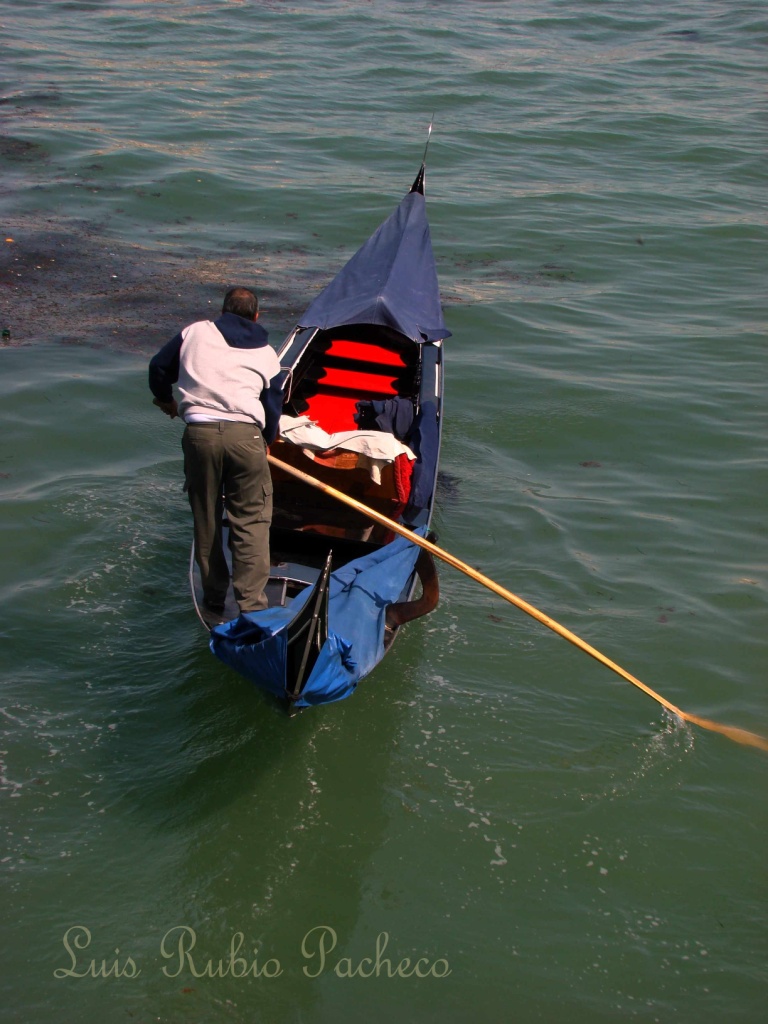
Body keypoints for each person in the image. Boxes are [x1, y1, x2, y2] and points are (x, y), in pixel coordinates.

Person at [149, 287, 283, 618]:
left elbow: (158, 368)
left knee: (207, 517)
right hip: (246, 438)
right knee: (251, 522)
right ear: (256, 317)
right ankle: (251, 605)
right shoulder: (267, 353)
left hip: (200, 436)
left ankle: (213, 597)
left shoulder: (194, 332)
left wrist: (166, 400)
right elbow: (273, 407)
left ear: (221, 311)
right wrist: (264, 440)